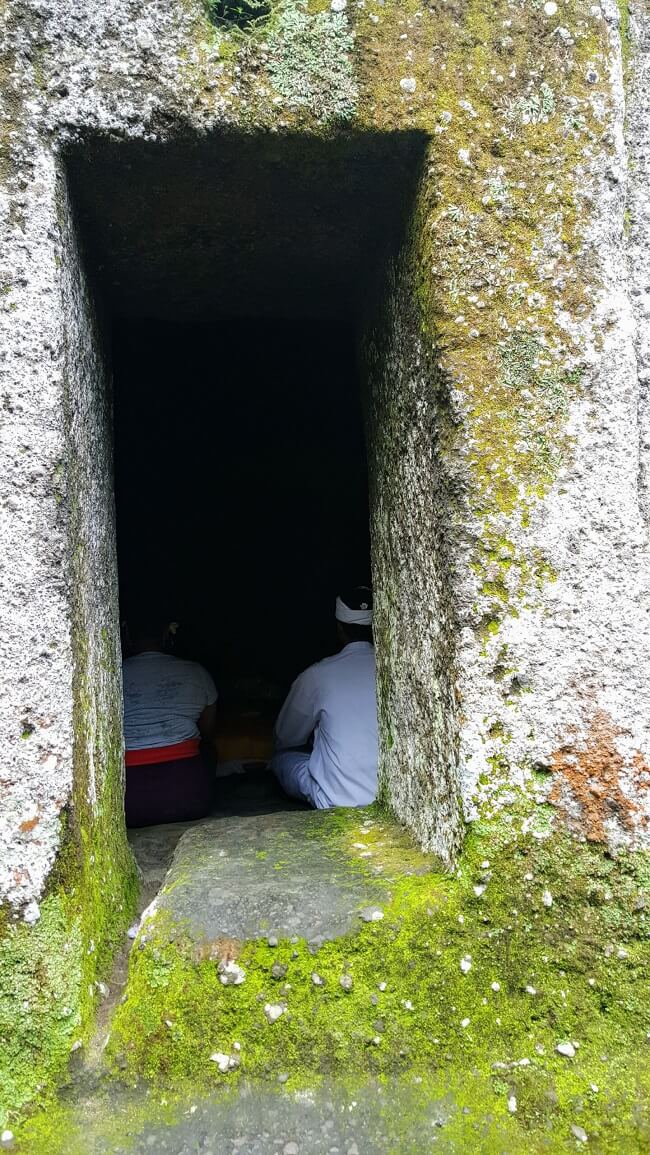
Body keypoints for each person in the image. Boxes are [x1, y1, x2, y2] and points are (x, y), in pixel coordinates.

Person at [271, 586, 378, 808]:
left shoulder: (317, 675)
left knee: (282, 758)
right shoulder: (395, 669)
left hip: (336, 800)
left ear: (339, 628)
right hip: (390, 796)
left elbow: (286, 736)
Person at [121, 612, 218, 827]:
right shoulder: (196, 672)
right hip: (188, 798)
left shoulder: (111, 674)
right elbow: (208, 732)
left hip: (128, 804)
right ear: (167, 634)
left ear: (126, 635)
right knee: (209, 749)